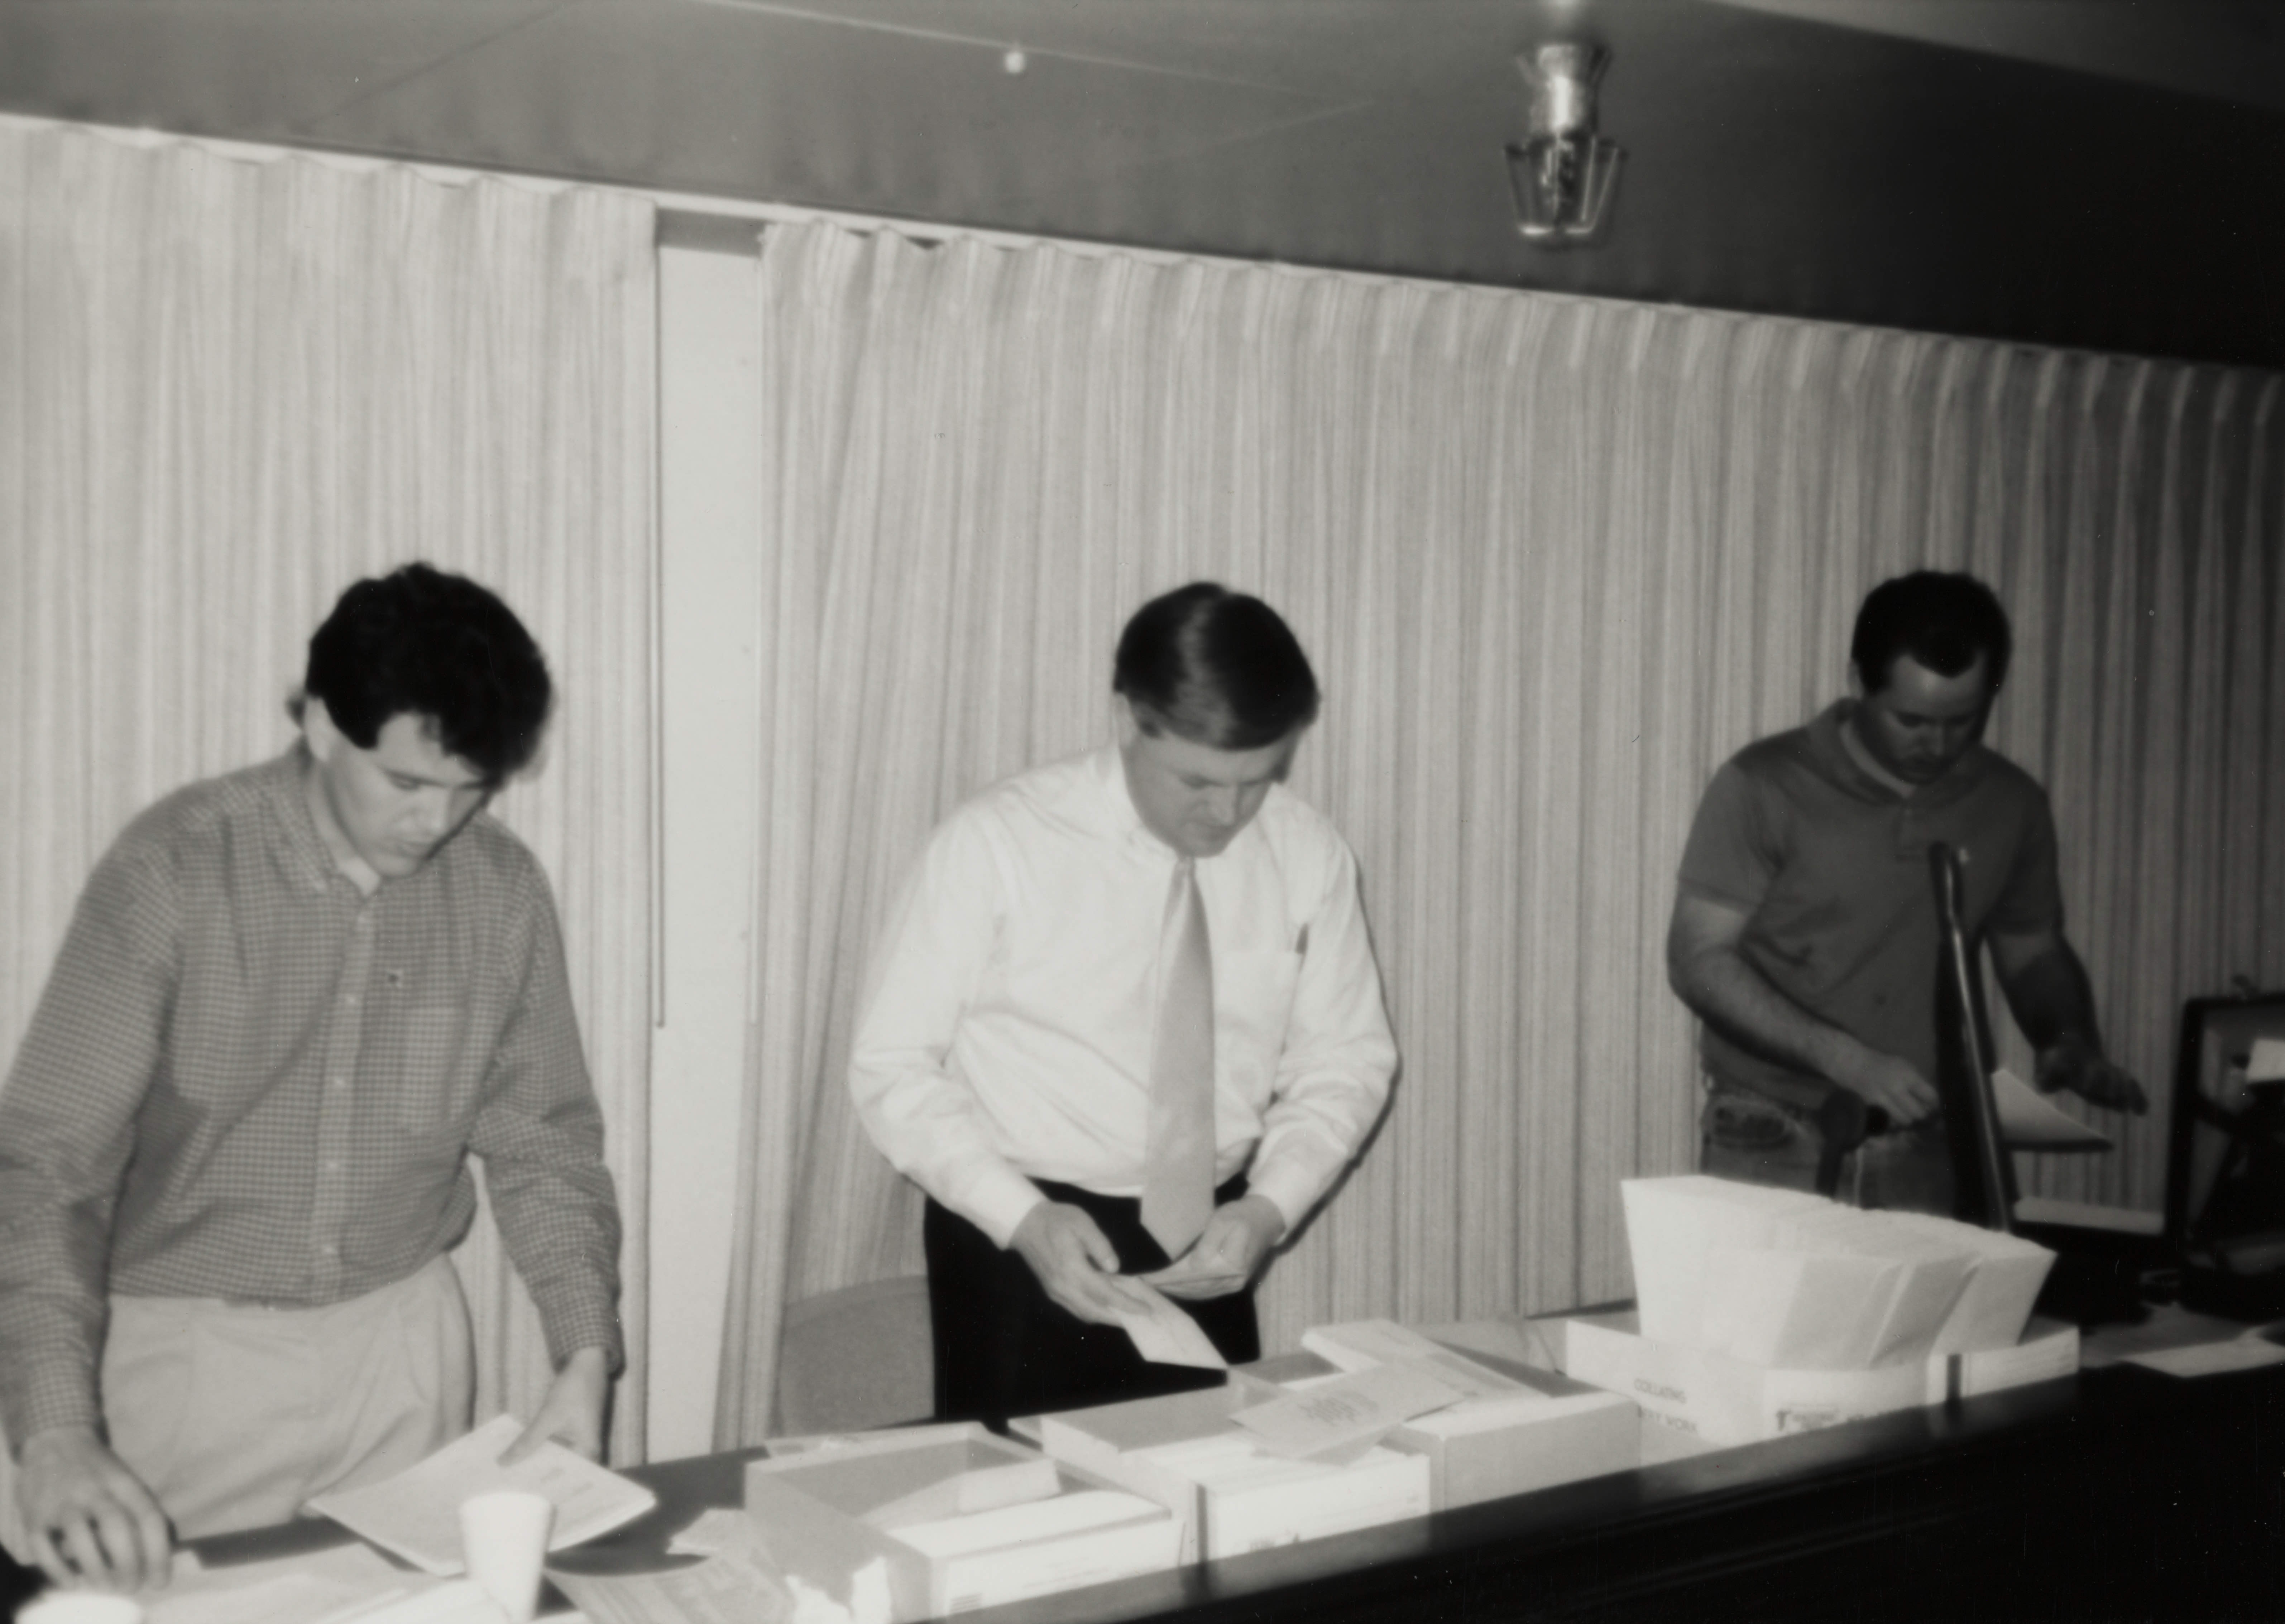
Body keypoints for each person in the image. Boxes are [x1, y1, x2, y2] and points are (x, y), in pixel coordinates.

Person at [0, 564, 624, 1592]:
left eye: (472, 789)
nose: (440, 823)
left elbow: (544, 1143)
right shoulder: (175, 871)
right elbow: (47, 1164)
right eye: (410, 784)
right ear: (324, 725)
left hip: (403, 1349)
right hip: (187, 1355)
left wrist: (582, 1351)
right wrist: (57, 1430)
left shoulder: (502, 892)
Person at [849, 582, 1397, 1426]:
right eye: (1199, 781)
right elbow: (891, 1067)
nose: (1229, 812)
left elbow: (1348, 1059)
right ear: (1125, 717)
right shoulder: (997, 842)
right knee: (1023, 1526)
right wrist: (1021, 1216)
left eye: (1258, 780)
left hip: (1213, 1237)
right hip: (1023, 1238)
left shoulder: (1306, 852)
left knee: (1208, 1509)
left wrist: (1269, 1206)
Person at [1666, 570, 2146, 1214]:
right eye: (1911, 720)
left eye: (1962, 720)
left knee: (1924, 1320)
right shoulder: (1763, 785)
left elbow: (2030, 945)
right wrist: (1846, 1059)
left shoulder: (2011, 801)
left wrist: (2064, 1036)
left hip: (1926, 1133)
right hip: (1770, 1129)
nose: (1938, 745)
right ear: (1855, 680)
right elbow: (1698, 961)